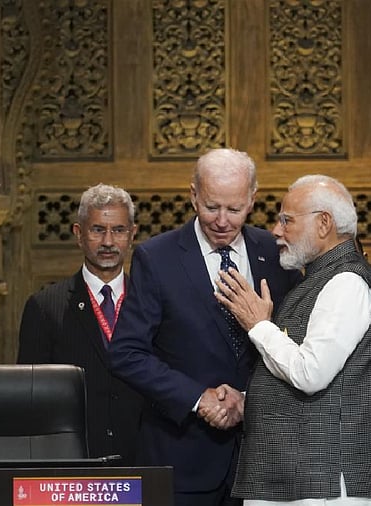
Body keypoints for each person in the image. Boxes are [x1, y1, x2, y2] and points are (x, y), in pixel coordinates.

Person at [109, 149, 301, 506]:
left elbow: (298, 351)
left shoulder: (277, 254)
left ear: (252, 200)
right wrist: (199, 399)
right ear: (193, 195)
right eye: (212, 207)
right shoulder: (157, 257)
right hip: (182, 459)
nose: (223, 221)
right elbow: (127, 353)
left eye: (235, 209)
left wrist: (250, 401)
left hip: (263, 460)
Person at [214, 174, 371, 505]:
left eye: (286, 220)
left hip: (322, 483)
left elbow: (310, 373)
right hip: (300, 478)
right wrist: (247, 399)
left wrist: (258, 325)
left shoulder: (346, 282)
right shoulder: (319, 279)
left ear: (324, 223)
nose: (276, 231)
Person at [17, 183, 143, 465]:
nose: (108, 241)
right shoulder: (45, 307)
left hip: (143, 460)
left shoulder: (152, 303)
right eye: (98, 230)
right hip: (72, 462)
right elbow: (32, 401)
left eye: (119, 230)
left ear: (132, 234)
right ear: (79, 234)